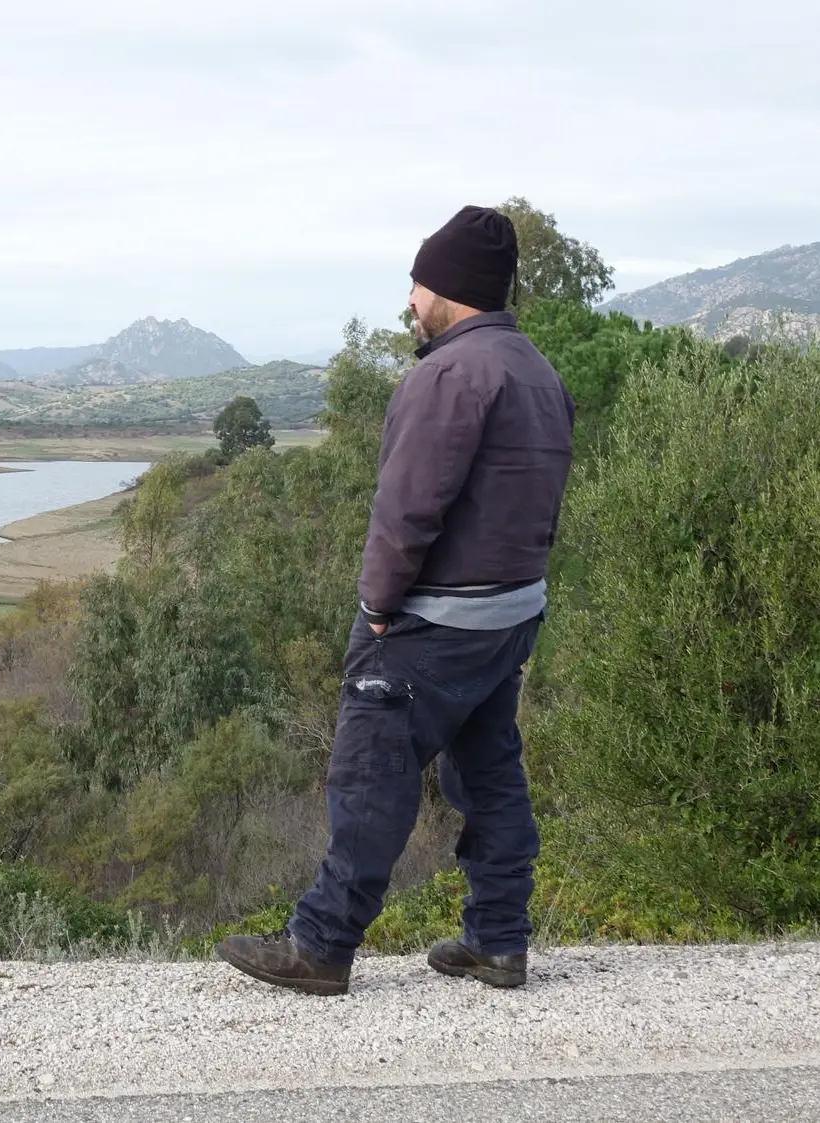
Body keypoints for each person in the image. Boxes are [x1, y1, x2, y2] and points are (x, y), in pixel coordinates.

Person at [218, 205, 576, 996]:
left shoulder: (448, 374)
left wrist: (378, 603)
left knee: (370, 776)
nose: (411, 298)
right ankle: (499, 940)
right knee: (489, 773)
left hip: (431, 621)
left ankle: (321, 943)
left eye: (418, 282)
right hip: (509, 617)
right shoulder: (538, 372)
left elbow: (407, 507)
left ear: (449, 288)